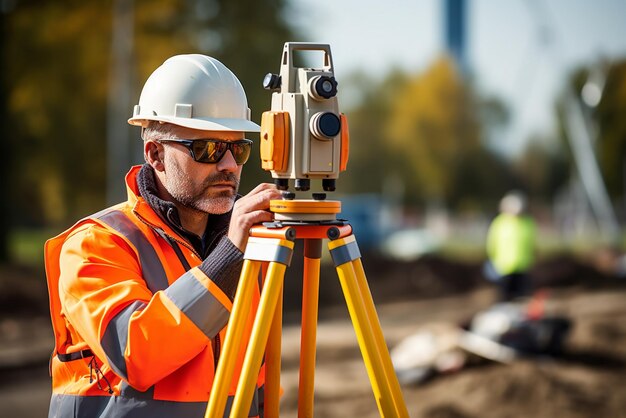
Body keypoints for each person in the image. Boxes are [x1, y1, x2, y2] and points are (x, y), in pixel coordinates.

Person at [44, 54, 282, 418]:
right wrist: (229, 256)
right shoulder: (97, 244)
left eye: (238, 148)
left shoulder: (248, 248)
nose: (230, 165)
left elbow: (260, 380)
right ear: (155, 154)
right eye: (208, 149)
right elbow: (136, 354)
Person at [485, 191, 537, 301]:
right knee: (504, 297)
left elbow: (532, 244)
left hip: (523, 267)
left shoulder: (528, 223)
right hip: (504, 268)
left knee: (521, 298)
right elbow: (491, 244)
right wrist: (495, 261)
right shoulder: (499, 223)